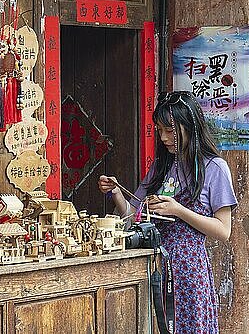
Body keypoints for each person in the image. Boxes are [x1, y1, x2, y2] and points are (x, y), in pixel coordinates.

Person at [98, 90, 237, 334]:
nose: (163, 137)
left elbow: (223, 231)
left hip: (189, 271)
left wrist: (179, 210)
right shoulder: (161, 167)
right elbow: (133, 215)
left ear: (189, 126)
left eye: (170, 130)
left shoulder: (215, 168)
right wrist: (116, 193)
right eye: (160, 130)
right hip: (153, 269)